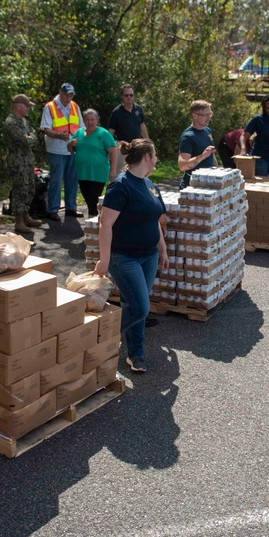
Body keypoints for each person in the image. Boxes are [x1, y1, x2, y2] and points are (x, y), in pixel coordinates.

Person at [93, 139, 169, 374]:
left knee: (135, 304)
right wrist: (104, 260)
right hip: (124, 257)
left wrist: (162, 248)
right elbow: (105, 224)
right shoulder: (120, 185)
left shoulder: (149, 185)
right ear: (147, 156)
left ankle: (135, 355)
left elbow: (154, 219)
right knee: (139, 308)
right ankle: (98, 340)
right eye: (154, 155)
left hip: (148, 256)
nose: (156, 160)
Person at [41, 83, 83, 221]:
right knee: (56, 180)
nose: (68, 97)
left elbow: (81, 128)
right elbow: (46, 129)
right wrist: (59, 135)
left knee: (72, 180)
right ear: (60, 93)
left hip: (73, 148)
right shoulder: (50, 107)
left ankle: (71, 207)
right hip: (56, 149)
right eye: (66, 94)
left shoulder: (75, 107)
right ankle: (53, 209)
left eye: (71, 95)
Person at [4, 94, 43, 234]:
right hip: (17, 161)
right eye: (27, 106)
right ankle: (18, 220)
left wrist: (30, 137)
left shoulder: (24, 122)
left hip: (28, 160)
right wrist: (30, 138)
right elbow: (25, 140)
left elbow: (34, 137)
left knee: (29, 188)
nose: (28, 109)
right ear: (18, 106)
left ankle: (26, 215)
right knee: (20, 189)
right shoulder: (10, 122)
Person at [69, 109, 118, 217]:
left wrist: (113, 170)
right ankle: (96, 221)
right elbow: (71, 149)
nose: (90, 122)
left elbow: (113, 151)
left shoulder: (103, 133)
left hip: (98, 173)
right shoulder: (79, 133)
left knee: (93, 199)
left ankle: (94, 223)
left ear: (97, 120)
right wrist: (70, 143)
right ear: (84, 121)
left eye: (92, 119)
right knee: (87, 197)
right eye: (87, 120)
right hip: (83, 173)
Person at [107, 83, 150, 172]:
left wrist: (148, 141)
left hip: (137, 147)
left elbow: (142, 126)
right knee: (121, 173)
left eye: (131, 95)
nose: (129, 97)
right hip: (122, 148)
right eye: (126, 95)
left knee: (137, 173)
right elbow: (110, 131)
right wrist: (110, 148)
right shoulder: (116, 112)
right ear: (122, 96)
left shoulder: (138, 109)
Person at [177, 100, 217, 188]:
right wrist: (202, 156)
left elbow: (211, 155)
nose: (209, 117)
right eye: (205, 115)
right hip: (192, 187)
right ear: (194, 115)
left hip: (208, 184)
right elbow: (182, 165)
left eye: (210, 114)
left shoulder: (207, 130)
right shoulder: (187, 137)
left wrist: (216, 171)